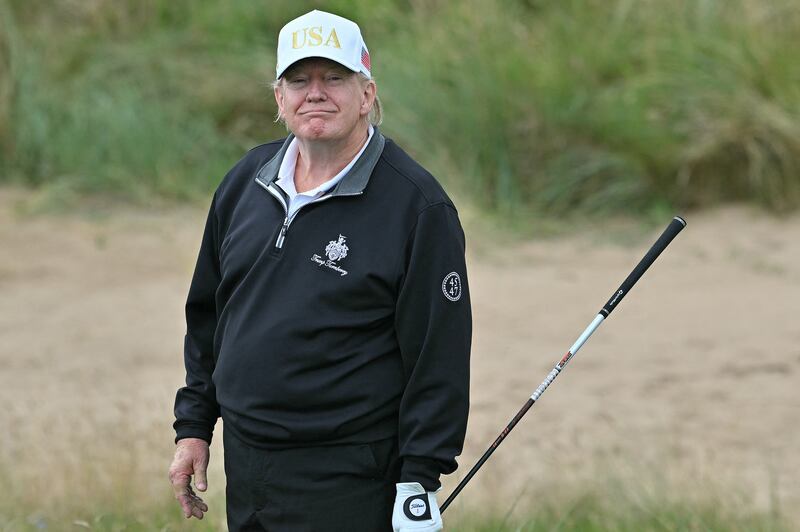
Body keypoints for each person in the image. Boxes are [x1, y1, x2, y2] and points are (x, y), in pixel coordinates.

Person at [168, 9, 471, 531]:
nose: (316, 93)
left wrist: (419, 479)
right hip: (249, 463)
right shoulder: (246, 181)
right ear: (279, 98)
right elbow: (208, 316)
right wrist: (194, 427)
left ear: (367, 93)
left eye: (334, 78)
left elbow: (437, 355)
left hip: (348, 474)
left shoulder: (418, 207)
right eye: (299, 80)